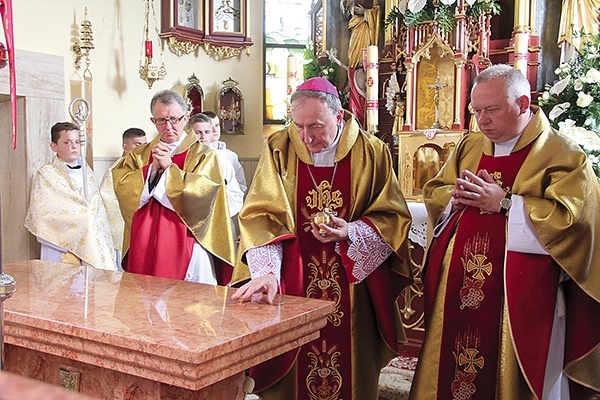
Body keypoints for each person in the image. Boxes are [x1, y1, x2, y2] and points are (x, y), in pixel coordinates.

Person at [411, 65, 600, 399]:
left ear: (523, 104)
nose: (482, 121)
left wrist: (507, 203)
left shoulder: (563, 155)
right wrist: (452, 200)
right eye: (476, 111)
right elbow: (436, 191)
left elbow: (575, 224)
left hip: (522, 297)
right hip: (459, 288)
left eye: (492, 110)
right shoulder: (469, 148)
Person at [231, 77, 413, 400]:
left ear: (339, 116)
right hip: (294, 280)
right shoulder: (279, 148)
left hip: (352, 288)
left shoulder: (372, 152)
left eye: (315, 126)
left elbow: (393, 218)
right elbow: (260, 216)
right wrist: (267, 273)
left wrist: (352, 232)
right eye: (298, 126)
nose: (306, 137)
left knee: (351, 369)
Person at [112, 89, 236, 285]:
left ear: (186, 118)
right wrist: (151, 170)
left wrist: (169, 168)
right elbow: (123, 187)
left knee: (192, 304)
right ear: (153, 121)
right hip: (147, 241)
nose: (168, 126)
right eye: (161, 120)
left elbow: (203, 195)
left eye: (174, 119)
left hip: (189, 239)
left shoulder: (203, 155)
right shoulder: (139, 155)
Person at [24, 121, 117, 271]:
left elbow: (96, 207)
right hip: (60, 243)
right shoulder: (47, 174)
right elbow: (45, 211)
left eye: (77, 142)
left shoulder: (87, 173)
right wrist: (83, 217)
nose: (74, 146)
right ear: (54, 146)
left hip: (92, 240)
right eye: (67, 142)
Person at [99, 127, 147, 269]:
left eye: (145, 144)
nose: (143, 148)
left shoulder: (149, 167)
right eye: (138, 144)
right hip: (124, 229)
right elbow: (108, 200)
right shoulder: (115, 171)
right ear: (125, 147)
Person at [187, 112, 244, 217]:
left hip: (218, 215)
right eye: (198, 132)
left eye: (207, 132)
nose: (203, 136)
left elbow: (236, 192)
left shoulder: (222, 160)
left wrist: (221, 214)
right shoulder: (184, 157)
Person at [203, 110, 247, 192]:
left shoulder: (231, 156)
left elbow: (242, 186)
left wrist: (234, 185)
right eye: (210, 127)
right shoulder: (198, 154)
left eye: (217, 125)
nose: (215, 130)